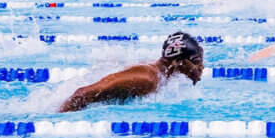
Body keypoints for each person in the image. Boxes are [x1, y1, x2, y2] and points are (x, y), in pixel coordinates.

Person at [60, 32, 205, 112]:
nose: (202, 67)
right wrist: (61, 121)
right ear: (178, 61)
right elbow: (81, 94)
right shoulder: (147, 79)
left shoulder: (161, 75)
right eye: (197, 61)